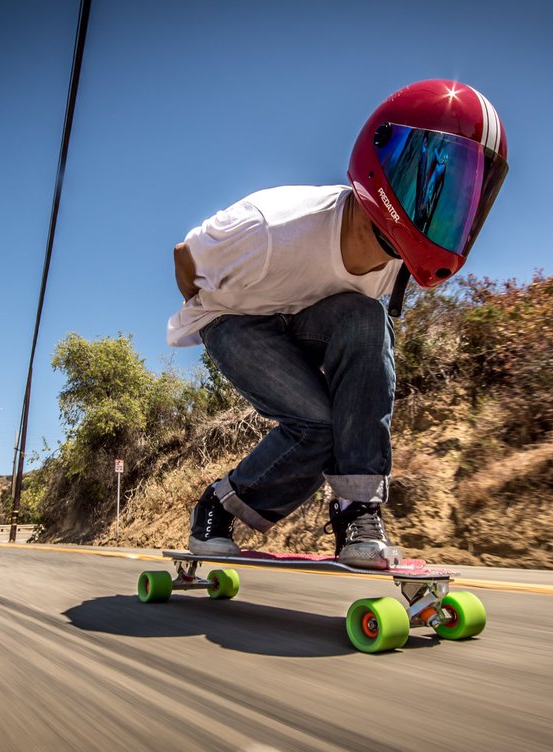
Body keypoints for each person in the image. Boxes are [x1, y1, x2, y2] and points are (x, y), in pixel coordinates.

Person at [167, 79, 509, 569]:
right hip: (234, 320)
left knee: (367, 321)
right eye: (430, 182)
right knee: (316, 426)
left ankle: (356, 510)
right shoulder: (269, 228)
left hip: (303, 322)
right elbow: (185, 259)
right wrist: (220, 314)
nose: (443, 206)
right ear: (384, 160)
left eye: (459, 194)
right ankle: (217, 506)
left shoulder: (397, 269)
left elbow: (362, 365)